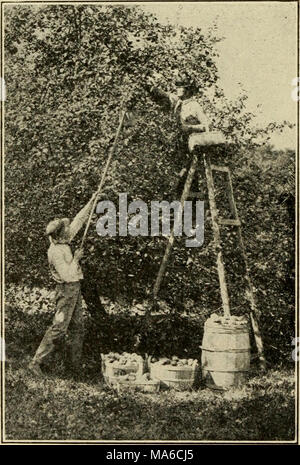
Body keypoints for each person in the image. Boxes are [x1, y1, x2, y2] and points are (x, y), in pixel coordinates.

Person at [28, 193, 97, 378]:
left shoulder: (63, 239)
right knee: (59, 328)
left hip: (74, 289)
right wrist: (76, 259)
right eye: (66, 229)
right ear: (59, 235)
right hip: (66, 290)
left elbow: (79, 220)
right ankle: (36, 362)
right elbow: (67, 275)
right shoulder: (55, 252)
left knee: (78, 328)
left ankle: (74, 368)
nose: (69, 229)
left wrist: (93, 200)